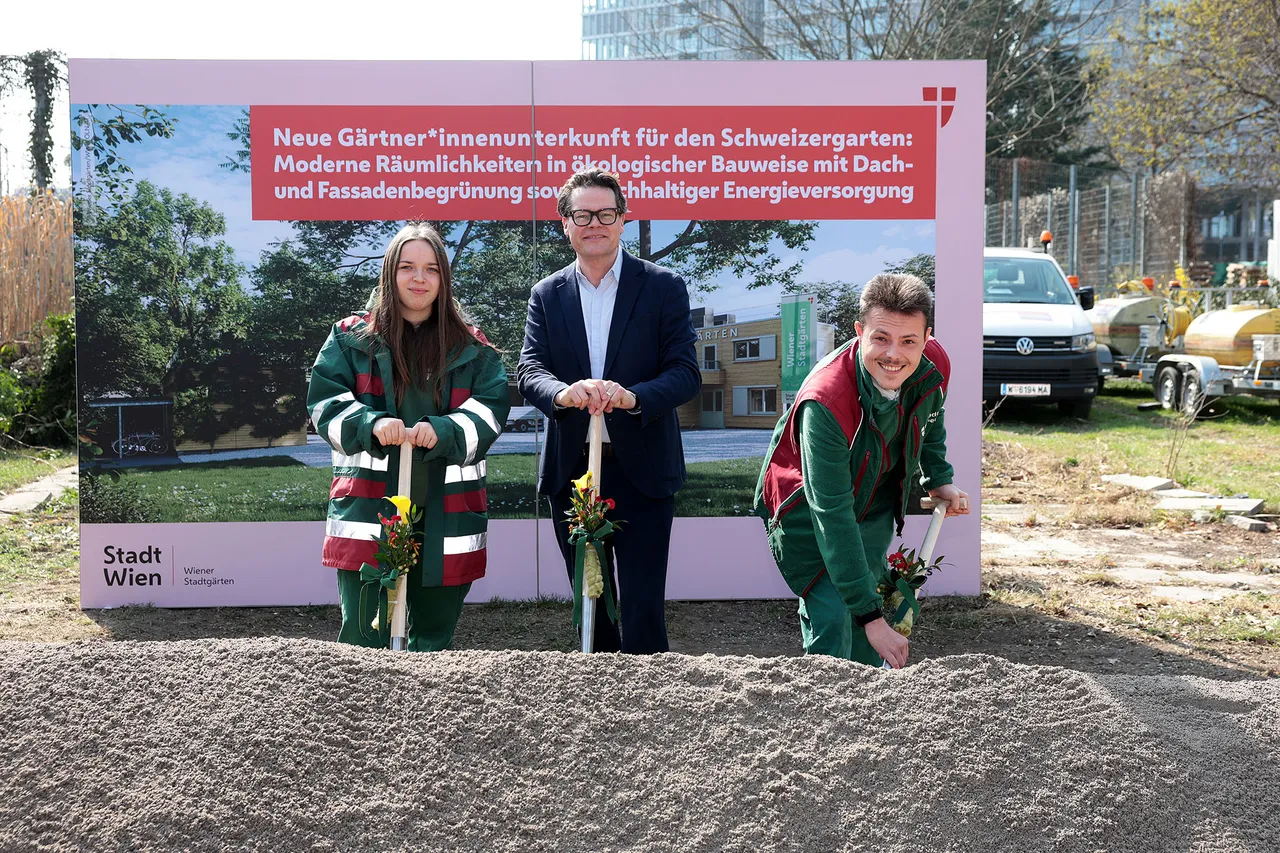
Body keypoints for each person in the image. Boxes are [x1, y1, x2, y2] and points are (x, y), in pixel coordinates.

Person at [518, 168, 701, 654]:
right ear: (564, 223)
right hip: (572, 473)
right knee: (591, 607)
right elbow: (529, 370)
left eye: (606, 213)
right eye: (582, 214)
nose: (594, 223)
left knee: (642, 611)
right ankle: (595, 713)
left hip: (643, 468)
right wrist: (562, 393)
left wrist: (632, 396)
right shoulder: (546, 294)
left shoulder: (663, 286)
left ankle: (652, 714)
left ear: (623, 220)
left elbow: (686, 372)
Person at [308, 223, 510, 651]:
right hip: (369, 512)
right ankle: (363, 717)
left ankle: (424, 717)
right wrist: (370, 425)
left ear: (444, 278)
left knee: (433, 640)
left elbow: (491, 410)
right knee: (364, 639)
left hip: (446, 514)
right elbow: (325, 404)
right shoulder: (348, 338)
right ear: (389, 273)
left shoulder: (473, 347)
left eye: (431, 269)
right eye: (407, 267)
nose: (419, 278)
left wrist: (444, 430)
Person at [754, 273, 970, 667]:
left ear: (927, 336)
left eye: (909, 341)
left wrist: (938, 477)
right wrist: (872, 619)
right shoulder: (825, 401)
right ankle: (821, 708)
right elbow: (832, 513)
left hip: (875, 498)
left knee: (866, 599)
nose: (894, 354)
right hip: (809, 507)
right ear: (859, 331)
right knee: (836, 615)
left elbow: (930, 420)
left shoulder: (933, 364)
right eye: (880, 338)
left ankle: (865, 713)